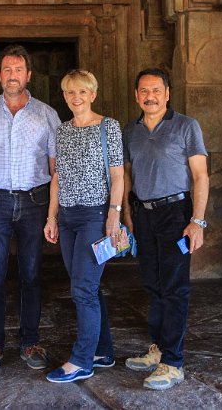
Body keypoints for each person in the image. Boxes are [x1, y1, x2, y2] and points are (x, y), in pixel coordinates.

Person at [0, 44, 61, 372]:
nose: (12, 76)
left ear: (28, 75)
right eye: (6, 70)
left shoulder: (47, 114)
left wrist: (52, 213)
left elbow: (55, 169)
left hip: (35, 201)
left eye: (18, 70)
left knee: (31, 275)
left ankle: (30, 341)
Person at [121, 67, 210, 391]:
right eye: (144, 91)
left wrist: (196, 221)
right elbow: (128, 174)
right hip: (144, 214)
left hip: (176, 213)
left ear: (167, 93)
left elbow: (200, 176)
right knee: (152, 284)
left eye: (156, 90)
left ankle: (173, 362)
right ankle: (158, 349)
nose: (150, 96)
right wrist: (128, 215)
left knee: (174, 288)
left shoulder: (186, 126)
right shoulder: (131, 131)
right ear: (136, 95)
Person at [43, 69, 125, 383]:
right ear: (64, 96)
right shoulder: (61, 131)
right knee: (86, 286)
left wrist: (113, 214)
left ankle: (81, 360)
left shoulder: (108, 127)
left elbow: (118, 175)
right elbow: (57, 178)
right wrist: (52, 217)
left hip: (95, 215)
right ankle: (103, 351)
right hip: (67, 217)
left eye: (82, 92)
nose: (75, 98)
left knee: (83, 289)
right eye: (69, 93)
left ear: (92, 94)